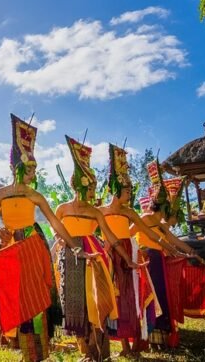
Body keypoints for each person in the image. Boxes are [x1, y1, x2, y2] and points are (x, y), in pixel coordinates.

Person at [0, 115, 89, 362]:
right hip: (10, 247)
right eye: (29, 168)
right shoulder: (0, 193)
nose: (33, 173)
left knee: (36, 297)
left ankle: (38, 353)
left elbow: (55, 222)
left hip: (33, 245)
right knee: (17, 298)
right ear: (15, 167)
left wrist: (76, 246)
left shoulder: (36, 195)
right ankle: (25, 351)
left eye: (34, 168)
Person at [53, 136, 139, 362]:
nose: (94, 190)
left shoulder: (96, 212)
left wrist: (127, 260)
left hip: (94, 255)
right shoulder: (62, 209)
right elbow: (57, 234)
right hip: (70, 255)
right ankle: (87, 352)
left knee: (95, 302)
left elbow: (111, 237)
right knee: (74, 304)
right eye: (91, 186)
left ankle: (101, 354)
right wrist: (60, 247)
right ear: (81, 185)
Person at [101, 145, 181, 357]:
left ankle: (133, 344)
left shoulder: (131, 212)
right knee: (114, 299)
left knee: (132, 297)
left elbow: (152, 233)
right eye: (127, 190)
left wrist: (169, 247)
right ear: (116, 189)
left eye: (130, 190)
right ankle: (117, 347)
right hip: (109, 255)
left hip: (130, 255)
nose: (130, 194)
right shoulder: (100, 211)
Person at [137, 161, 205, 349]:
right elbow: (128, 234)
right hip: (146, 261)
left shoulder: (160, 224)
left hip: (160, 261)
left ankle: (161, 336)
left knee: (162, 296)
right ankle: (150, 336)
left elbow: (176, 242)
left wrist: (193, 253)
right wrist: (138, 250)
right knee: (151, 297)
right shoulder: (144, 218)